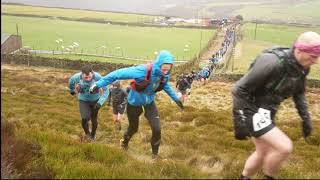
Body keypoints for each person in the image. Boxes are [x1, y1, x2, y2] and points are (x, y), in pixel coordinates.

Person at [232, 31, 320, 179]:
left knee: (262, 152)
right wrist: (239, 121)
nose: (316, 61)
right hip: (251, 109)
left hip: (266, 113)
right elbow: (239, 89)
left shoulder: (302, 68)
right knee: (284, 147)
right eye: (313, 56)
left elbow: (299, 94)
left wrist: (306, 120)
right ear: (299, 50)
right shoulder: (272, 62)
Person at [89, 50, 184, 159]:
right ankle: (124, 142)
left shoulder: (164, 75)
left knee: (157, 129)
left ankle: (155, 155)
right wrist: (99, 84)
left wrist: (176, 100)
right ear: (159, 64)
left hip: (149, 104)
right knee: (133, 128)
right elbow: (118, 74)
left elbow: (165, 85)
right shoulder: (143, 70)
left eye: (168, 69)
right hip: (134, 103)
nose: (165, 72)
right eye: (164, 69)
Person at [68, 65, 109, 141]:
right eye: (85, 77)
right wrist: (72, 92)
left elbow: (106, 90)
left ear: (92, 73)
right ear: (82, 74)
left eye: (89, 77)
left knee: (94, 119)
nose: (88, 79)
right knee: (84, 118)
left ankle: (93, 135)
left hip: (96, 100)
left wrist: (100, 103)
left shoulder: (97, 77)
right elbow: (70, 84)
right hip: (83, 100)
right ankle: (87, 134)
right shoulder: (76, 77)